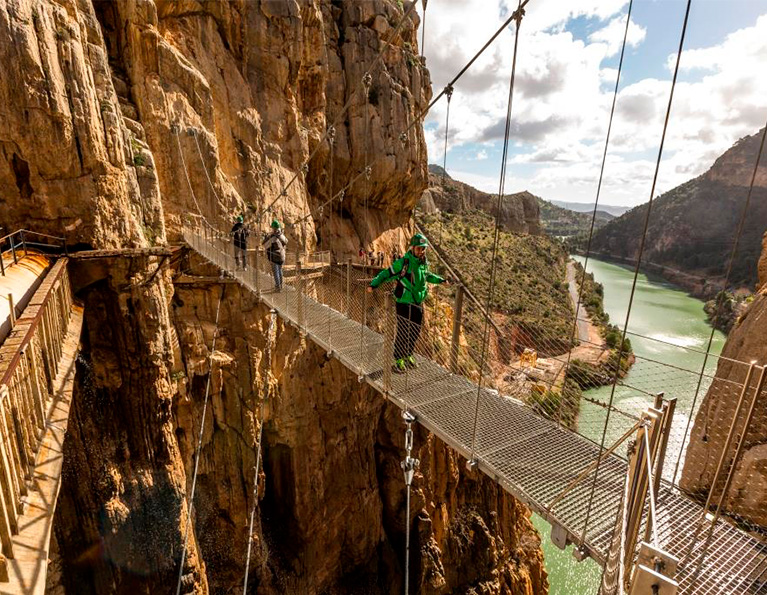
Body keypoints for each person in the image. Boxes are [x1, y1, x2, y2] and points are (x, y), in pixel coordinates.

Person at [368, 233, 447, 373]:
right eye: (419, 248)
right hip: (404, 302)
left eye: (423, 249)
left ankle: (408, 355)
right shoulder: (403, 263)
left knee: (415, 332)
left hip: (418, 302)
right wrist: (373, 284)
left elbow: (427, 276)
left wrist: (440, 280)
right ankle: (398, 360)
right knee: (403, 332)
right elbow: (386, 273)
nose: (421, 251)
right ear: (412, 248)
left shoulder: (423, 263)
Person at [263, 219, 288, 290]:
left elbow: (265, 245)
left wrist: (266, 237)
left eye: (272, 228)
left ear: (274, 228)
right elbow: (286, 241)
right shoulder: (281, 235)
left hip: (275, 256)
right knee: (280, 270)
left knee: (275, 271)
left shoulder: (273, 237)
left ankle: (277, 286)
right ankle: (281, 285)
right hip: (282, 256)